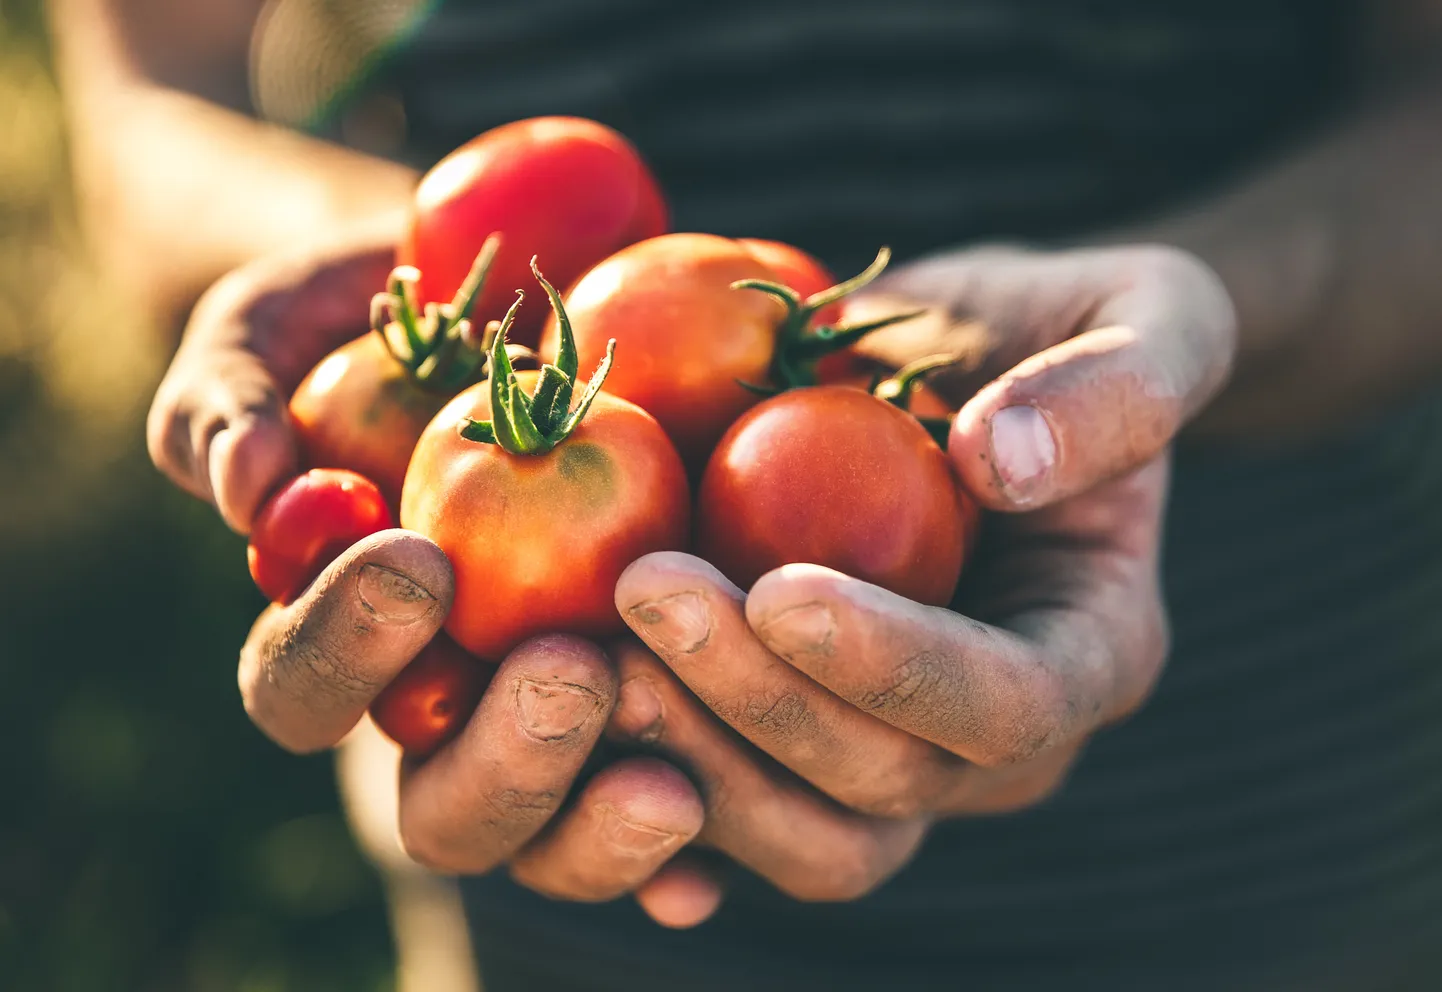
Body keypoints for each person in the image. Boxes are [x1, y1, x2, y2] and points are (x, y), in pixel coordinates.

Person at [52, 0, 1442, 988]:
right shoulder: (560, 403)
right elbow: (156, 97)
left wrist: (1191, 335)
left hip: (1287, 828)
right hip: (547, 849)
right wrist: (396, 291)